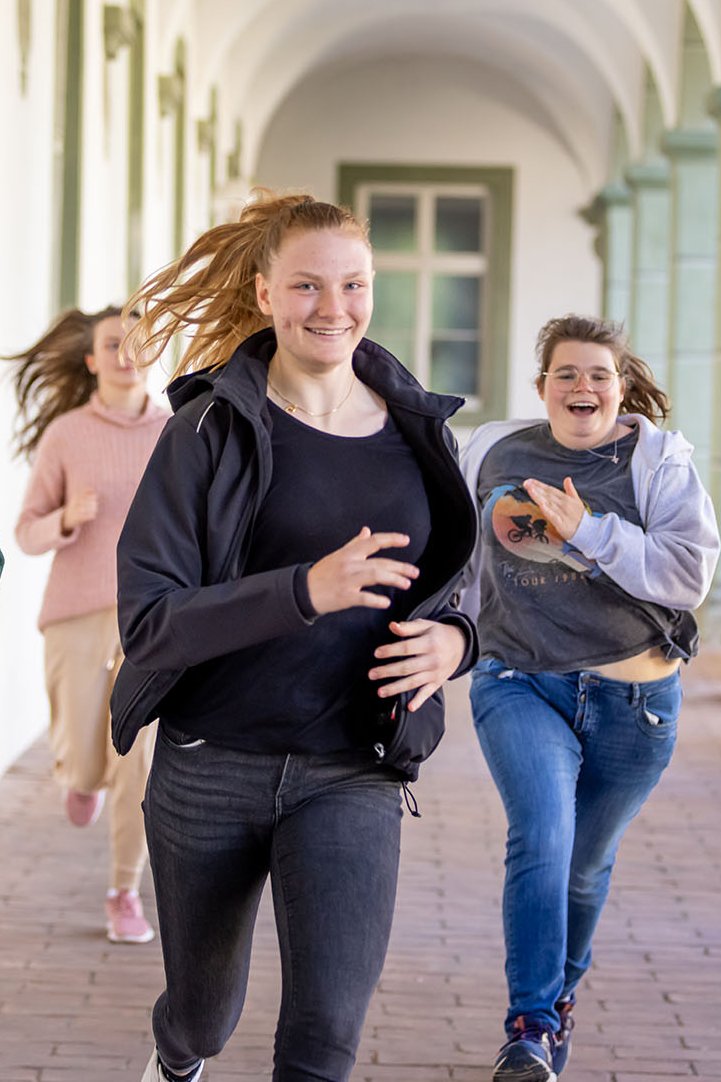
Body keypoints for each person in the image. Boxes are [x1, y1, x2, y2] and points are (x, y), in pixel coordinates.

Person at [111, 189, 479, 1082]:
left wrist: (457, 643)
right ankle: (175, 1056)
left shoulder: (420, 433)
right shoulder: (205, 430)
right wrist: (302, 592)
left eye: (353, 285)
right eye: (307, 285)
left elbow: (467, 586)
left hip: (353, 768)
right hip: (211, 762)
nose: (333, 308)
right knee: (203, 1016)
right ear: (265, 293)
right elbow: (149, 622)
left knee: (325, 1037)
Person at [459, 313, 721, 1081]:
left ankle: (559, 997)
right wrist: (444, 637)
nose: (583, 386)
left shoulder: (660, 463)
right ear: (542, 386)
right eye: (566, 373)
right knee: (542, 838)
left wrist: (589, 529)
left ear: (622, 386)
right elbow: (462, 563)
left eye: (599, 374)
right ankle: (530, 1029)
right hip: (519, 680)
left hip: (633, 705)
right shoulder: (495, 451)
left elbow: (686, 578)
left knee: (582, 867)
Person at [10, 305, 169, 943]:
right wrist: (67, 518)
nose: (126, 354)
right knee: (84, 760)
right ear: (91, 359)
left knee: (138, 758)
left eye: (137, 343)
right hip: (75, 615)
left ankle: (122, 891)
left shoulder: (177, 431)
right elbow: (26, 533)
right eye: (112, 344)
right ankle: (80, 780)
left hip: (149, 618)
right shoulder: (67, 434)